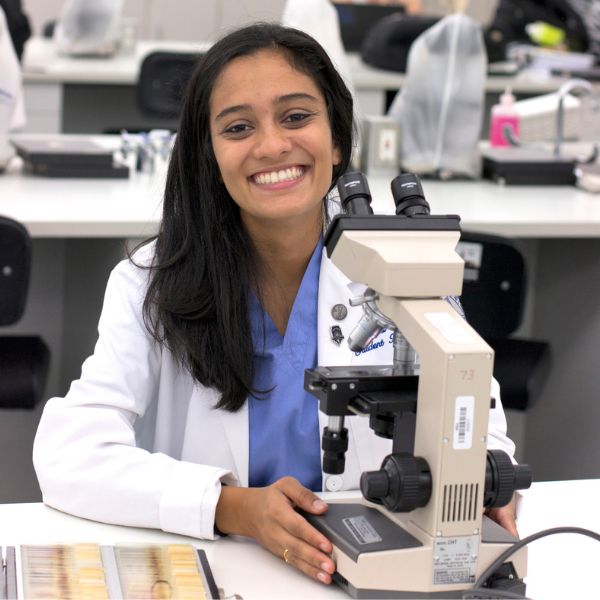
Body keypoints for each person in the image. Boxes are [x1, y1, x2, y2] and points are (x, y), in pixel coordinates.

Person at [33, 22, 517, 586]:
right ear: (208, 156)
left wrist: (483, 482)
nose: (271, 146)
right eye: (238, 127)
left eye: (296, 117)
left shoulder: (405, 269)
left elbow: (477, 416)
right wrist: (229, 506)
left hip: (372, 575)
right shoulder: (150, 284)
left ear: (338, 140)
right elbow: (69, 453)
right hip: (220, 568)